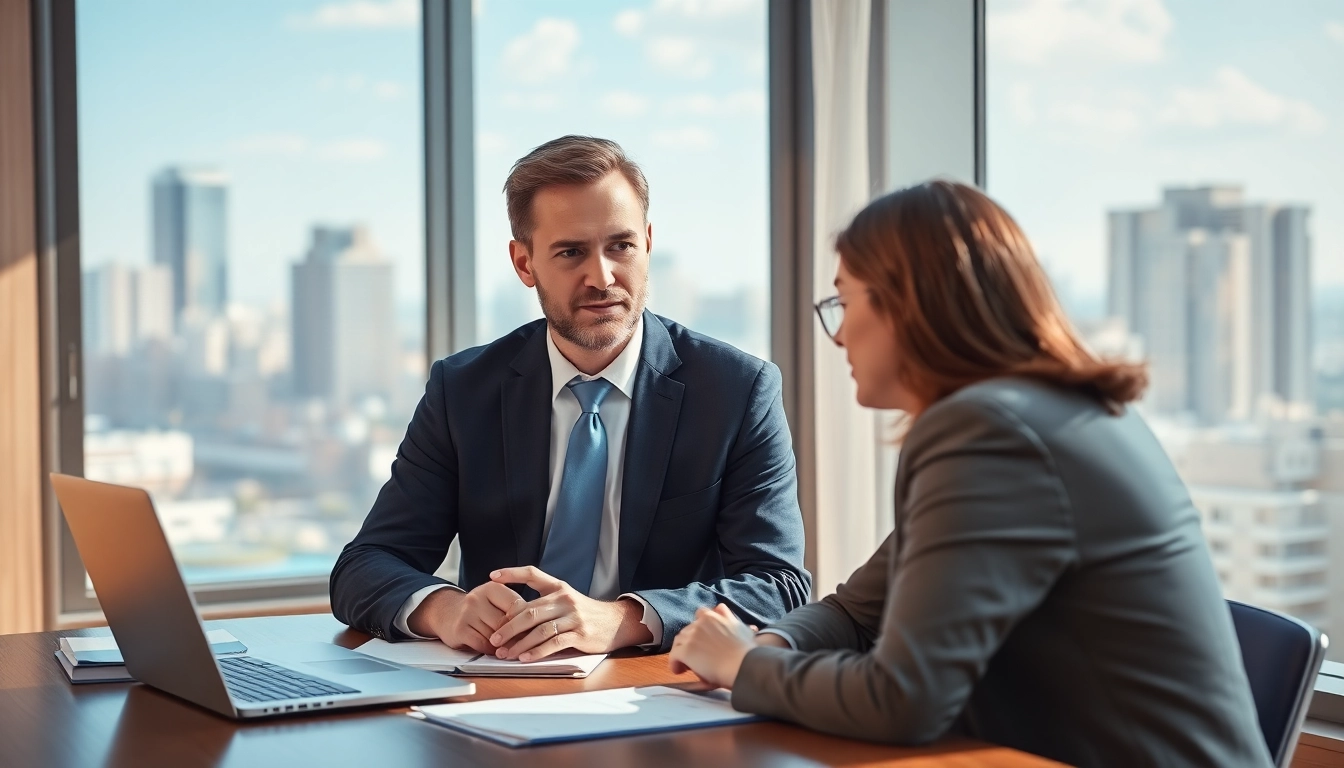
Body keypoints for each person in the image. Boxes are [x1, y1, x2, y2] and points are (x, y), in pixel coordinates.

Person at [668, 180, 1271, 766]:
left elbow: (903, 699)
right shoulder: (1032, 415)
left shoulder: (991, 435)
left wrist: (745, 668)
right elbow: (857, 613)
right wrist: (767, 644)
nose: (840, 334)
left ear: (909, 304)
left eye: (844, 301)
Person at [330, 135, 810, 661]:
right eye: (571, 252)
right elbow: (365, 565)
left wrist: (623, 618)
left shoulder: (737, 391)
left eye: (621, 246)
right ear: (524, 263)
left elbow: (778, 585)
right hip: (496, 685)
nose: (602, 277)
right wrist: (446, 609)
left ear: (648, 243)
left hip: (653, 687)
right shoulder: (464, 391)